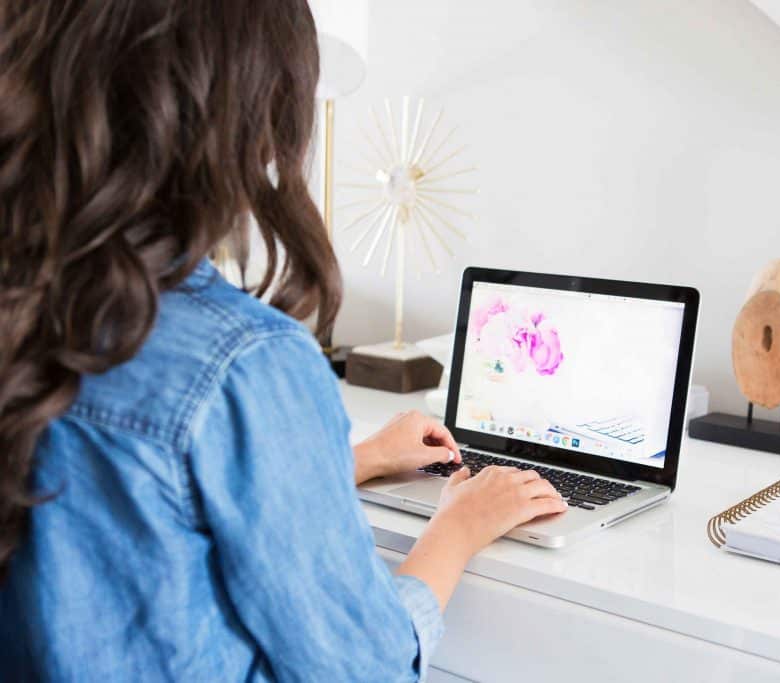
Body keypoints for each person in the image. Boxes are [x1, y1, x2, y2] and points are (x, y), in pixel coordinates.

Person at [0, 2, 567, 680]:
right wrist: (458, 528)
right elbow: (368, 669)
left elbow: (134, 503)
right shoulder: (242, 362)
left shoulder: (25, 305)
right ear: (252, 115)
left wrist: (345, 460)